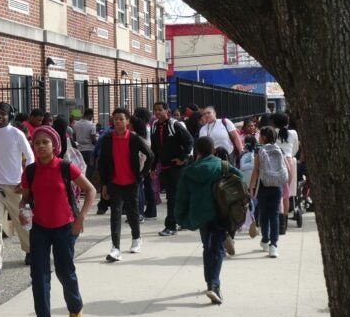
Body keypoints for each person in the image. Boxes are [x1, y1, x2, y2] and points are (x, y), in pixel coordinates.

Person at [18, 126, 96, 317]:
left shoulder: (65, 167)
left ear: (54, 145)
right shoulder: (31, 171)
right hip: (40, 229)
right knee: (39, 276)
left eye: (45, 142)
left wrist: (81, 218)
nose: (41, 146)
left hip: (65, 227)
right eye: (37, 143)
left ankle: (75, 309)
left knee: (64, 271)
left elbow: (91, 191)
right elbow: (25, 199)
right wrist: (23, 212)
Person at [175, 136, 244, 305]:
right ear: (213, 150)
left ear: (197, 151)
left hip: (200, 215)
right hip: (222, 213)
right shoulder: (222, 166)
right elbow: (241, 178)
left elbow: (181, 198)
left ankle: (210, 282)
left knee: (208, 247)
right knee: (218, 248)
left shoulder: (189, 171)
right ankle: (214, 284)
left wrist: (180, 218)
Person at [98, 108, 153, 261]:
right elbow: (102, 163)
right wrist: (104, 184)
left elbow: (150, 155)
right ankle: (115, 247)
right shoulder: (108, 139)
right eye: (115, 119)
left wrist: (142, 175)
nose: (118, 122)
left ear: (128, 121)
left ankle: (136, 238)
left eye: (121, 119)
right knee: (115, 215)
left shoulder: (134, 138)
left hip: (131, 182)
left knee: (132, 212)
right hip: (114, 183)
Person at [0, 102, 35, 270]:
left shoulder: (17, 134)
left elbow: (30, 157)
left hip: (16, 186)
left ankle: (31, 250)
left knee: (23, 221)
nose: (0, 117)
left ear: (10, 116)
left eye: (3, 114)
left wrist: (25, 181)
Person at [150, 101, 194, 236]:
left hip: (177, 167)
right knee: (177, 195)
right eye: (155, 110)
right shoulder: (155, 126)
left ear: (166, 111)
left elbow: (189, 141)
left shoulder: (174, 125)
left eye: (160, 110)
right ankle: (184, 221)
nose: (157, 112)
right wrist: (152, 168)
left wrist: (183, 158)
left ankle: (171, 226)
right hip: (164, 166)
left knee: (172, 196)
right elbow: (154, 149)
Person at [248, 127, 283, 258]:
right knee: (274, 214)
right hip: (277, 184)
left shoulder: (259, 150)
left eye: (260, 135)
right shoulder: (279, 149)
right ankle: (274, 246)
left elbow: (256, 170)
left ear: (264, 137)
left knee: (264, 213)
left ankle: (265, 240)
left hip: (263, 185)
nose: (258, 137)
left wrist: (251, 186)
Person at [272, 112, 299, 235]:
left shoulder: (271, 133)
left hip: (275, 162)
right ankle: (284, 223)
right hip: (289, 161)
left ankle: (278, 222)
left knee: (277, 193)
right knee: (286, 194)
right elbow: (295, 149)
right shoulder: (293, 133)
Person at [72, 108, 98, 183]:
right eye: (92, 116)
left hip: (79, 150)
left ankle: (82, 186)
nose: (92, 117)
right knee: (90, 169)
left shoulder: (76, 124)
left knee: (81, 169)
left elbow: (74, 138)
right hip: (90, 150)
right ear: (90, 115)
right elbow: (93, 140)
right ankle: (88, 184)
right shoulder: (91, 125)